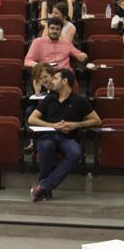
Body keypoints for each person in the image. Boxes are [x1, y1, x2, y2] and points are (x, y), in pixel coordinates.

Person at [27, 68, 100, 201]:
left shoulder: (79, 100)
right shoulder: (50, 98)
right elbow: (32, 119)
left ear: (65, 81)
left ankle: (44, 186)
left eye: (55, 78)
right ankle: (44, 189)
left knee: (75, 152)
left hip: (68, 137)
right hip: (48, 136)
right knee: (45, 146)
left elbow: (96, 120)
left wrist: (76, 124)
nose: (52, 81)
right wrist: (52, 125)